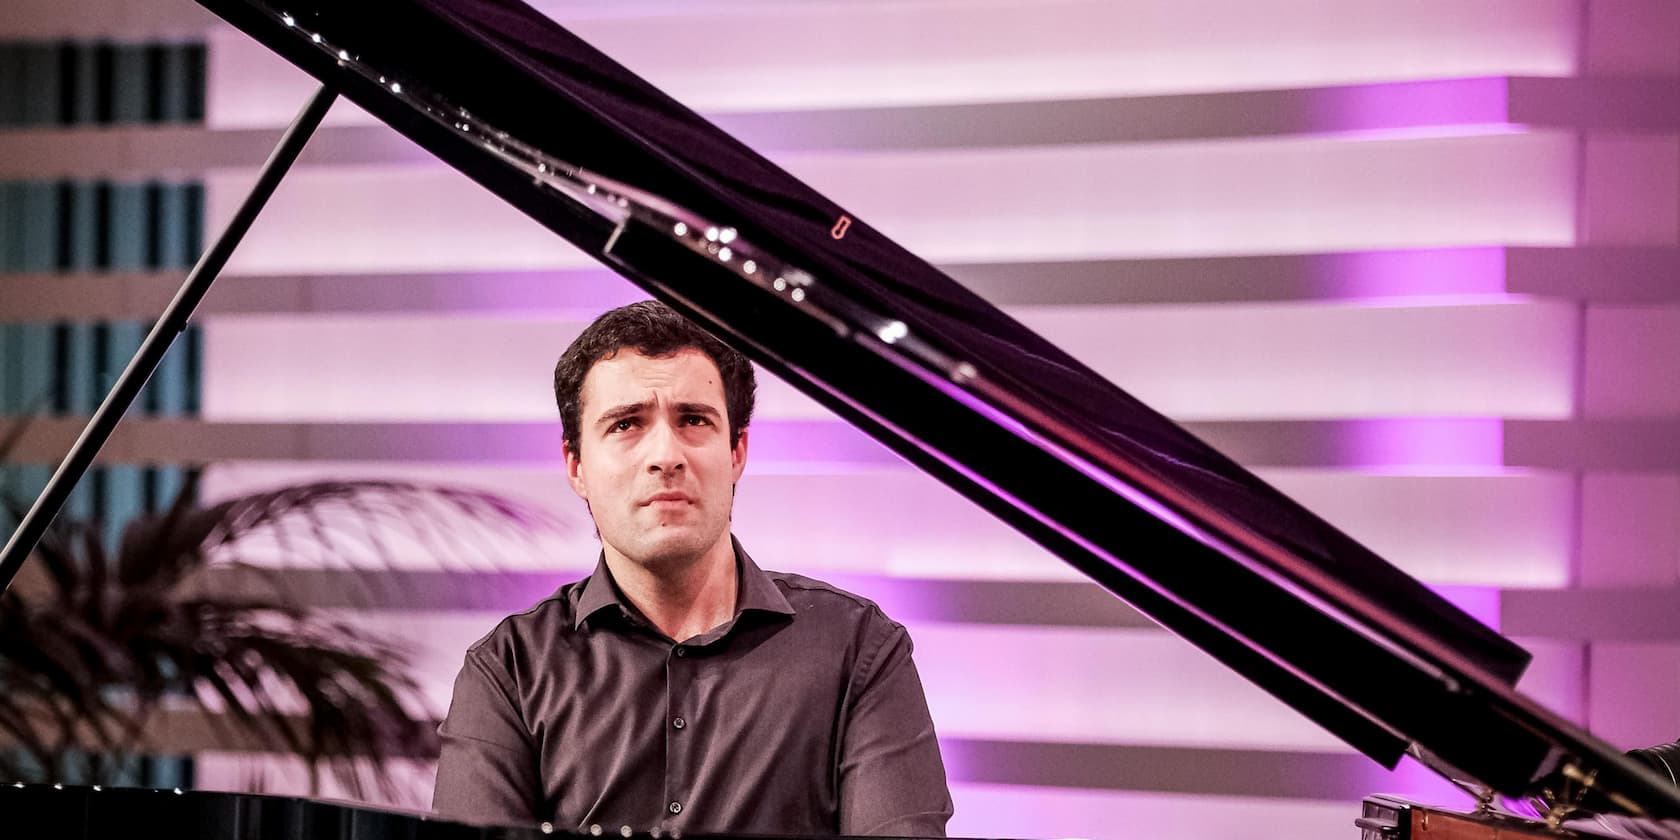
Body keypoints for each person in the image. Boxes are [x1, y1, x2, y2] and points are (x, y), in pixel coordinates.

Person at [432, 300, 953, 836]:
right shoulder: (508, 671)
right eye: (627, 424)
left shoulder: (860, 650)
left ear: (737, 453)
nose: (665, 454)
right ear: (576, 466)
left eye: (694, 420)